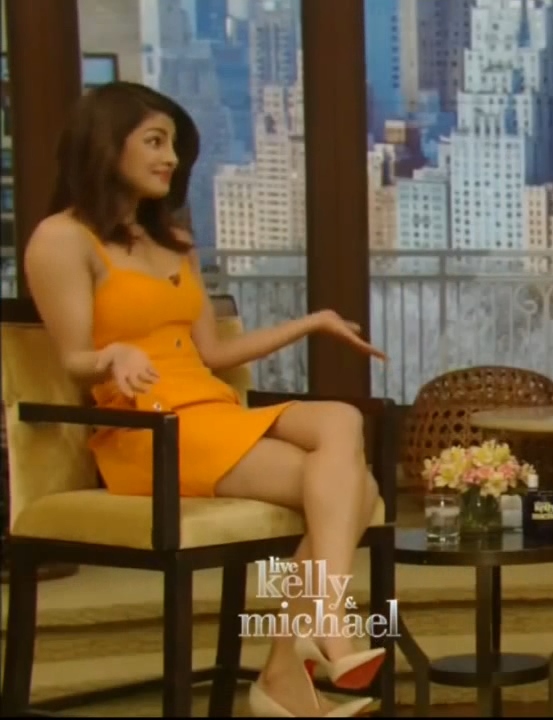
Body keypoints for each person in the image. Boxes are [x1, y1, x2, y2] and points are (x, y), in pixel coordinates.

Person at [22, 81, 389, 718]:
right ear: (107, 144)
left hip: (210, 411)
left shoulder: (174, 241)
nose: (170, 159)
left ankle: (298, 652)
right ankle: (300, 652)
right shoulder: (61, 239)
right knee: (356, 489)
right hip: (147, 431)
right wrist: (113, 354)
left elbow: (214, 354)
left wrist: (312, 321)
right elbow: (74, 357)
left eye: (174, 146)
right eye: (155, 142)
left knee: (341, 419)